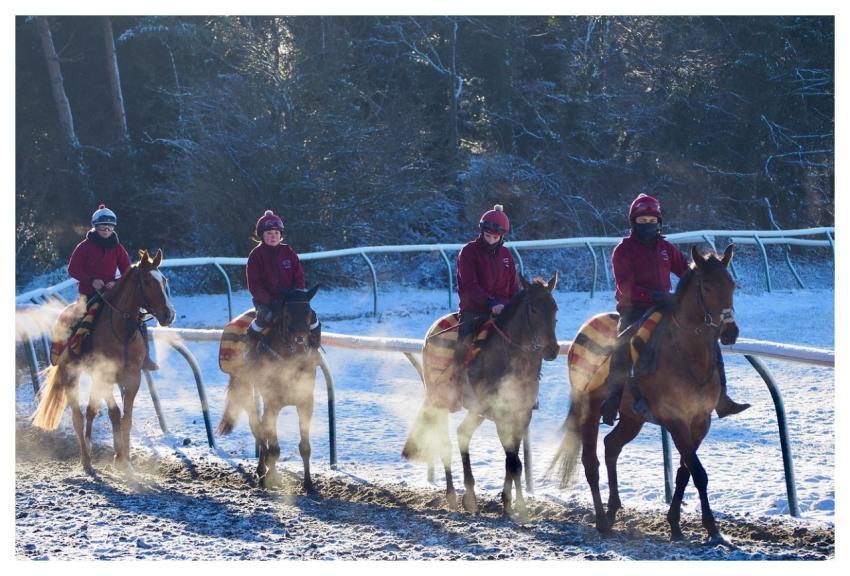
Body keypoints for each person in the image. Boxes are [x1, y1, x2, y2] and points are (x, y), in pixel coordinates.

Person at [599, 193, 749, 425]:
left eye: (651, 221)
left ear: (658, 223)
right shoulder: (623, 250)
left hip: (668, 307)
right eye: (642, 221)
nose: (647, 225)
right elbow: (625, 287)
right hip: (635, 310)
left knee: (708, 335)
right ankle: (613, 398)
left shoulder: (666, 248)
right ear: (633, 222)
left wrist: (712, 273)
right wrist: (654, 296)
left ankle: (722, 396)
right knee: (624, 343)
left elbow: (689, 273)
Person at [67, 203, 158, 370]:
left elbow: (127, 271)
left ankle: (146, 357)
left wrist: (115, 282)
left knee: (138, 319)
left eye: (110, 227)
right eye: (103, 227)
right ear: (95, 227)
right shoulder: (84, 247)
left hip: (112, 293)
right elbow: (73, 269)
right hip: (89, 294)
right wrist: (92, 280)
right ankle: (76, 354)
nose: (107, 230)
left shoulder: (118, 248)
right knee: (81, 321)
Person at [452, 204, 521, 388]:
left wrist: (515, 304)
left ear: (502, 237)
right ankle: (457, 381)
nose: (490, 240)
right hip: (475, 310)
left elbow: (514, 286)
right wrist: (490, 303)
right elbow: (469, 286)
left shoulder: (507, 255)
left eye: (495, 237)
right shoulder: (468, 252)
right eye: (487, 236)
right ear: (482, 232)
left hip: (504, 310)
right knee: (464, 343)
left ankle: (526, 387)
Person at [245, 210, 315, 347]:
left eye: (276, 233)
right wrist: (270, 300)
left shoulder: (288, 252)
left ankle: (314, 347)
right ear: (261, 235)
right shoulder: (255, 255)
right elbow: (254, 285)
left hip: (290, 301)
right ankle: (250, 349)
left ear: (281, 235)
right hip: (266, 302)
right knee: (264, 318)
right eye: (269, 233)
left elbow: (299, 276)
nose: (273, 236)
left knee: (311, 317)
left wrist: (297, 295)